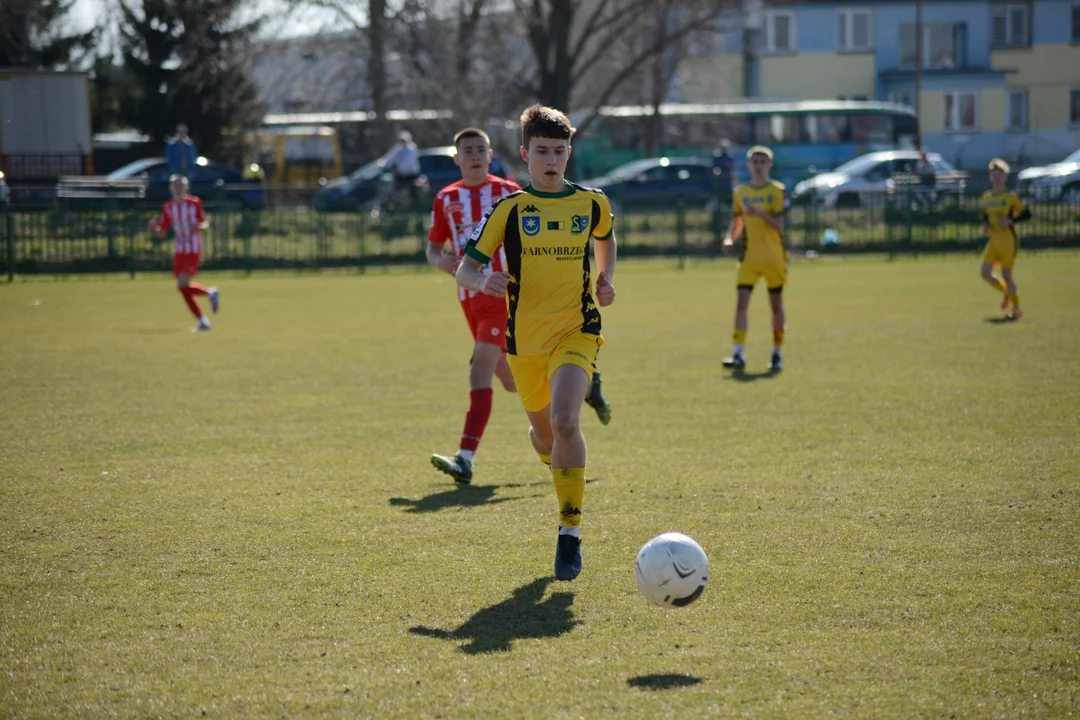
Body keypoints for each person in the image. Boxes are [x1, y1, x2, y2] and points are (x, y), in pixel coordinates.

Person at [455, 104, 617, 581]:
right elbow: (467, 265)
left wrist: (605, 280)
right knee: (547, 438)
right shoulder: (509, 210)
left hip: (577, 330)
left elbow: (606, 240)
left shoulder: (592, 203)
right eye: (542, 151)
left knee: (567, 420)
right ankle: (550, 452)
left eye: (560, 151)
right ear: (526, 154)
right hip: (524, 342)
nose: (552, 159)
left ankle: (569, 535)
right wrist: (481, 279)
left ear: (569, 153)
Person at [428, 128, 615, 485]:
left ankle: (465, 457)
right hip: (471, 296)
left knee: (478, 370)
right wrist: (447, 264)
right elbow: (434, 249)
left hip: (508, 300)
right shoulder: (445, 198)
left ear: (491, 154)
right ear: (457, 158)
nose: (475, 156)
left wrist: (600, 276)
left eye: (481, 149)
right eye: (468, 151)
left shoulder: (508, 193)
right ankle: (584, 380)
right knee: (514, 383)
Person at [721, 145, 788, 372]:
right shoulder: (741, 193)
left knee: (776, 306)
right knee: (741, 303)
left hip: (773, 258)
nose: (758, 165)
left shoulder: (777, 191)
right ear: (749, 165)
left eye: (762, 161)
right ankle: (738, 353)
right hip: (749, 258)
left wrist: (760, 214)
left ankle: (777, 352)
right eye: (754, 161)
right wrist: (730, 238)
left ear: (769, 165)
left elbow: (780, 226)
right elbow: (737, 220)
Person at [148, 175, 219, 331]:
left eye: (182, 186)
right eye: (176, 186)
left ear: (186, 188)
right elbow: (162, 232)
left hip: (193, 248)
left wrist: (199, 227)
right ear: (171, 188)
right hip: (179, 249)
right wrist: (154, 229)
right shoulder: (168, 207)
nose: (179, 189)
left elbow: (205, 223)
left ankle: (207, 301)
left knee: (182, 283)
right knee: (182, 287)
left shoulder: (194, 203)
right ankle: (203, 316)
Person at [979, 158, 1030, 320]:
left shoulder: (1010, 197)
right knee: (985, 272)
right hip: (993, 242)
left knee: (1007, 275)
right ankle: (1006, 292)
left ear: (1005, 177)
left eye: (999, 175)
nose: (996, 178)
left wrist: (1011, 220)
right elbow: (985, 217)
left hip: (1008, 242)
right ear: (990, 177)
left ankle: (1016, 309)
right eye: (994, 175)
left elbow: (1027, 214)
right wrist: (985, 225)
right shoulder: (986, 198)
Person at [389, 130, 421, 202]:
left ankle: (414, 203)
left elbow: (408, 160)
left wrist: (402, 170)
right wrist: (383, 162)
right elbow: (391, 156)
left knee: (413, 189)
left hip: (411, 174)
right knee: (397, 188)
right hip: (401, 173)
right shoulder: (398, 148)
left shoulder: (412, 148)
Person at [712, 138, 735, 203]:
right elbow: (715, 168)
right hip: (719, 182)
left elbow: (731, 166)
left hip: (727, 181)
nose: (724, 149)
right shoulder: (717, 157)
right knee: (719, 199)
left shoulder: (729, 157)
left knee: (729, 198)